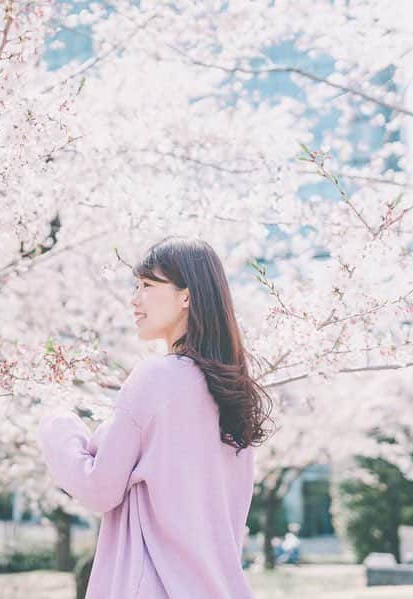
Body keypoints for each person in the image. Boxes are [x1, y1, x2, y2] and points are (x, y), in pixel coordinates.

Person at [37, 237, 273, 599]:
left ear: (186, 296)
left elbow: (100, 488)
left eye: (148, 285)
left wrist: (58, 426)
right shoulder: (234, 393)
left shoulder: (157, 377)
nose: (135, 298)